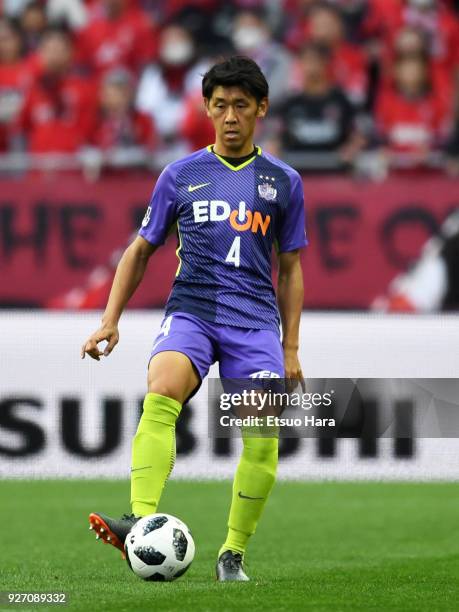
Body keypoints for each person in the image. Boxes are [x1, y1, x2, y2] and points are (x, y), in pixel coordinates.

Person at [81, 56, 307, 581]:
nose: (230, 116)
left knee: (262, 441)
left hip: (254, 321)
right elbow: (140, 250)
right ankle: (138, 520)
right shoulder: (180, 175)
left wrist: (291, 347)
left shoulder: (283, 182)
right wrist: (109, 319)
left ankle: (232, 554)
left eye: (241, 106)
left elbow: (291, 269)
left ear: (261, 110)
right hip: (194, 310)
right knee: (161, 389)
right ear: (207, 107)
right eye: (221, 105)